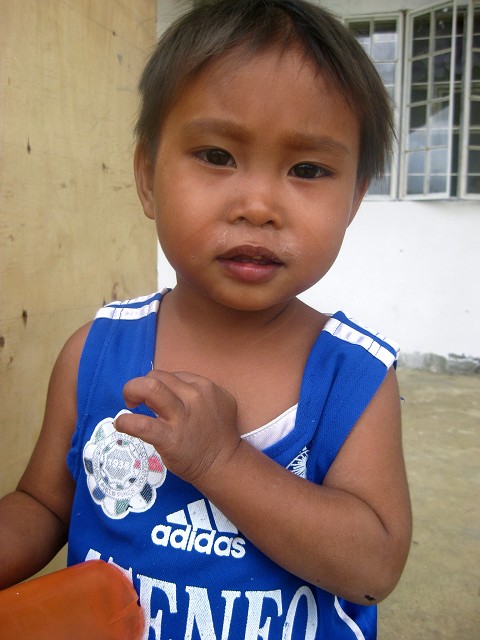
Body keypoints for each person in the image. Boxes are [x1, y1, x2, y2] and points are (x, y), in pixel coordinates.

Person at [0, 0, 412, 638]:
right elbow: (41, 505)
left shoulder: (352, 378)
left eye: (307, 169)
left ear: (354, 198)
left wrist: (222, 460)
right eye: (217, 155)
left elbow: (372, 567)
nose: (258, 205)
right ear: (147, 177)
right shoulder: (95, 354)